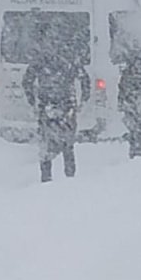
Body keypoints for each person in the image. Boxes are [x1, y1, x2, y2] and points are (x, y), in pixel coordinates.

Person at [23, 41, 89, 182]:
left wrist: (32, 101)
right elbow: (85, 80)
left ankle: (47, 178)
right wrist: (83, 100)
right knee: (67, 145)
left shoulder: (41, 61)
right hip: (66, 106)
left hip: (47, 106)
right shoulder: (70, 59)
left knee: (46, 145)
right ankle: (69, 177)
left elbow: (27, 81)